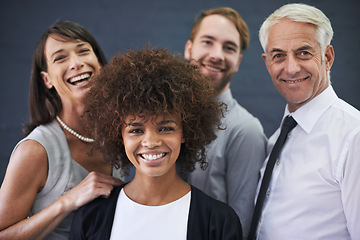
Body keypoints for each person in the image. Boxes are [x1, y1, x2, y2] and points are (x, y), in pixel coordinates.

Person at [69, 47, 243, 239]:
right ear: (119, 136)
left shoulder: (218, 222)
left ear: (185, 132)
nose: (151, 142)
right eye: (136, 130)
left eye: (166, 128)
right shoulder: (91, 216)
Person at [0, 21, 123, 239]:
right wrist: (67, 201)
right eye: (60, 57)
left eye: (83, 51)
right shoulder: (35, 151)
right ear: (47, 79)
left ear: (100, 63)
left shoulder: (123, 135)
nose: (76, 63)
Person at [250, 3, 360, 239]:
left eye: (303, 53)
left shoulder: (353, 136)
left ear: (327, 57)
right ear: (267, 63)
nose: (291, 68)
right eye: (279, 55)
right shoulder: (277, 139)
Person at [184, 7, 267, 238]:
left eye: (229, 48)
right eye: (208, 42)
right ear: (189, 48)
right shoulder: (164, 116)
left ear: (238, 61)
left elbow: (240, 227)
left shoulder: (246, 130)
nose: (217, 55)